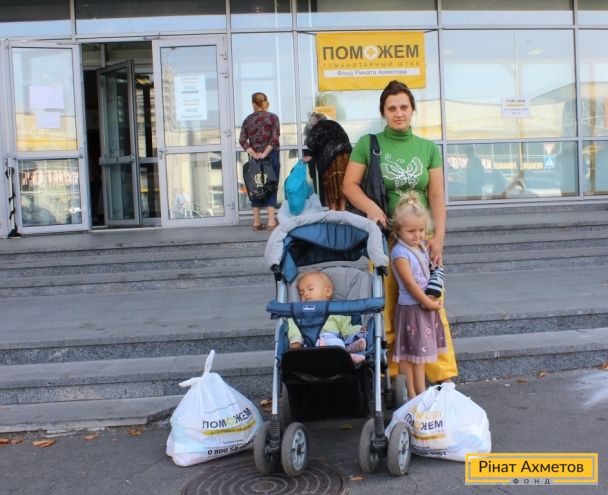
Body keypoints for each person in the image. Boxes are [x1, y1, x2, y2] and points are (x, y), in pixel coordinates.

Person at [343, 79, 458, 384]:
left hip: (422, 241)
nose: (398, 113)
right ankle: (397, 378)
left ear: (412, 110)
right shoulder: (368, 144)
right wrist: (371, 208)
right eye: (392, 108)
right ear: (383, 112)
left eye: (404, 107)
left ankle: (441, 377)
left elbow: (436, 195)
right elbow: (349, 185)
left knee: (432, 304)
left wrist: (438, 238)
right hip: (386, 239)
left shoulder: (427, 148)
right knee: (390, 307)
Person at [390, 192, 447, 398]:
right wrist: (427, 303)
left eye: (421, 230)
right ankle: (412, 393)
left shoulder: (421, 247)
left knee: (419, 352)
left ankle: (421, 391)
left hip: (422, 306)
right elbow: (410, 284)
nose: (417, 235)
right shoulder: (400, 253)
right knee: (409, 352)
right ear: (398, 230)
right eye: (411, 231)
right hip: (411, 308)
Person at [287, 271, 367, 364]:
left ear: (327, 292)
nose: (305, 294)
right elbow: (295, 326)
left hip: (334, 342)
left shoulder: (337, 311)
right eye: (301, 293)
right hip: (311, 344)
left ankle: (349, 350)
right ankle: (348, 356)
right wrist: (296, 342)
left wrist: (359, 330)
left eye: (310, 289)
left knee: (339, 343)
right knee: (322, 346)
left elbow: (346, 329)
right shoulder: (301, 313)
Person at [239, 92, 281, 230]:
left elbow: (242, 140)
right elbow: (274, 138)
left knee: (255, 186)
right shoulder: (273, 117)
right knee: (271, 185)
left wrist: (254, 153)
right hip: (271, 155)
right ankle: (271, 221)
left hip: (255, 158)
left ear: (253, 104)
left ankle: (256, 222)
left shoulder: (248, 120)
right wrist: (265, 153)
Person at [302, 113, 352, 211]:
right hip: (345, 154)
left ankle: (333, 209)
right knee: (342, 181)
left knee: (331, 182)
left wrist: (311, 155)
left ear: (312, 124)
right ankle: (343, 208)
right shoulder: (334, 123)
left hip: (330, 157)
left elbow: (311, 143)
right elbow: (345, 137)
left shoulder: (317, 128)